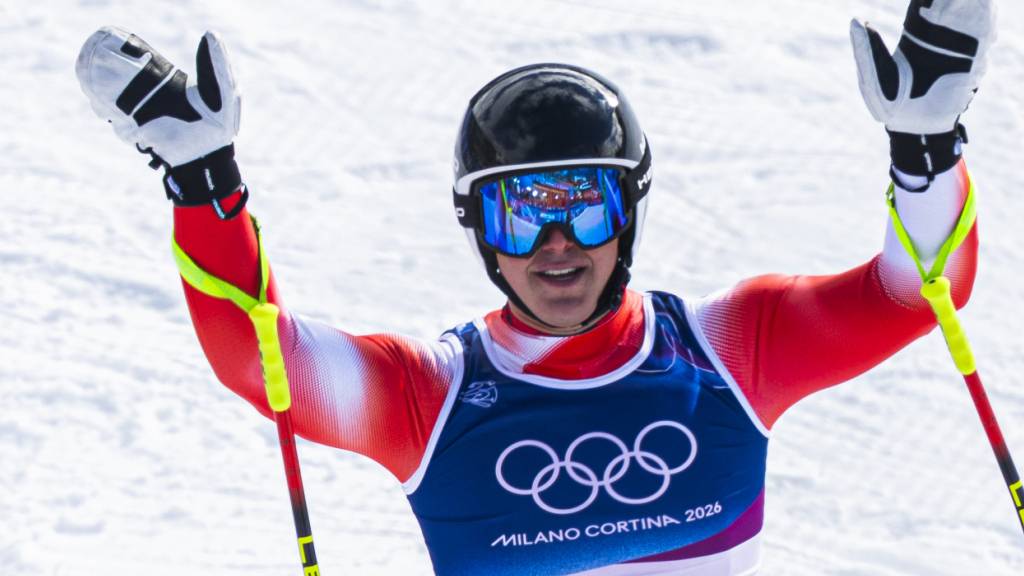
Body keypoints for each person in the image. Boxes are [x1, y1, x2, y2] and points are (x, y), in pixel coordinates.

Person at [75, 1, 995, 574]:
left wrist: (926, 155)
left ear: (627, 213)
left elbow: (917, 296)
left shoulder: (730, 349)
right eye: (521, 214)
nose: (557, 247)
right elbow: (259, 357)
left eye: (585, 209)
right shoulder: (427, 397)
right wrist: (205, 185)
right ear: (478, 228)